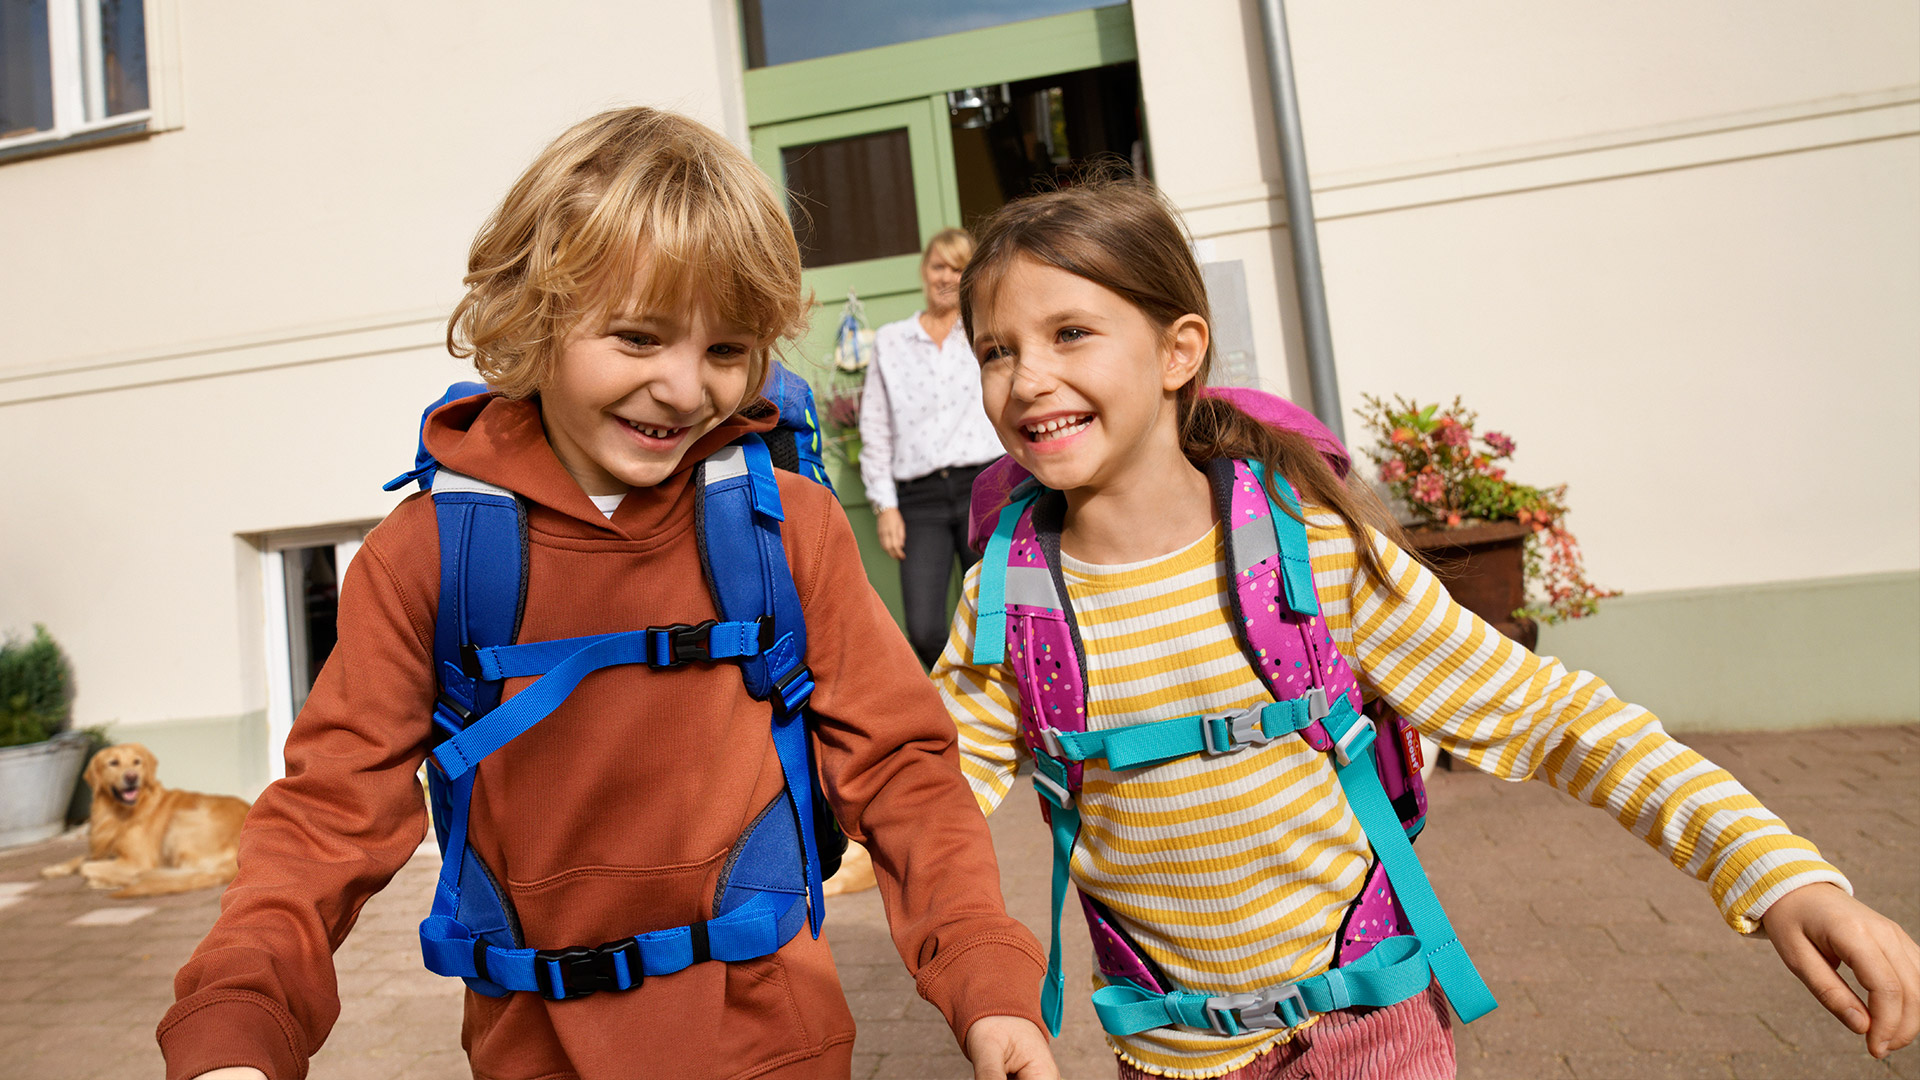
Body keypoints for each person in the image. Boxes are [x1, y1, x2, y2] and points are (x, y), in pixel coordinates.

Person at [934, 180, 1920, 1079]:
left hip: (1375, 1032)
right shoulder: (1006, 599)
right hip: (1166, 1056)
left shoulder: (1305, 556)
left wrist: (1774, 872)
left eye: (1070, 333)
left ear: (1179, 349)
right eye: (997, 350)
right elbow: (925, 798)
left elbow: (1553, 716)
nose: (1026, 381)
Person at [160, 108, 1057, 1080]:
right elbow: (325, 817)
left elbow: (903, 770)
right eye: (637, 338)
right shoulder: (429, 555)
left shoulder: (784, 528)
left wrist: (984, 975)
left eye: (725, 351)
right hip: (535, 1053)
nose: (682, 388)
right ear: (534, 316)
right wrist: (237, 1027)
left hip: (773, 1047)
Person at [859, 228, 1006, 668]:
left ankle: (1001, 710)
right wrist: (885, 507)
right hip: (919, 498)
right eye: (939, 266)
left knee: (995, 617)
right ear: (924, 272)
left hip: (985, 487)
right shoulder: (891, 341)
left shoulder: (986, 334)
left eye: (959, 268)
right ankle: (956, 705)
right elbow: (876, 426)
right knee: (923, 628)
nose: (947, 277)